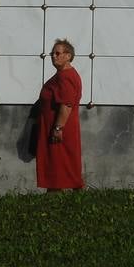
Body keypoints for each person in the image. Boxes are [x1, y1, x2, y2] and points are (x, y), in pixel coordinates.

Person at [36, 38, 85, 191]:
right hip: (57, 125)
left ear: (68, 56)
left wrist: (58, 128)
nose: (54, 56)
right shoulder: (63, 75)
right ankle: (55, 192)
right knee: (58, 160)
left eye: (58, 53)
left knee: (60, 160)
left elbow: (67, 104)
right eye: (53, 53)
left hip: (60, 127)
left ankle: (60, 193)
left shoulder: (66, 76)